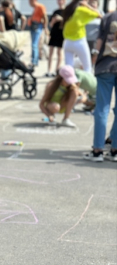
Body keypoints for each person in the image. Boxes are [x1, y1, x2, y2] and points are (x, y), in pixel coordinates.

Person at [86, 9, 117, 162]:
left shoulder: (108, 17)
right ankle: (115, 150)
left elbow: (99, 41)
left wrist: (94, 55)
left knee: (102, 108)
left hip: (106, 64)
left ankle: (98, 149)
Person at [62, 0, 101, 73]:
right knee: (87, 68)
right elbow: (98, 14)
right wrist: (87, 6)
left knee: (69, 68)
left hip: (67, 42)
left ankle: (69, 83)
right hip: (79, 41)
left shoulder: (69, 9)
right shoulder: (82, 10)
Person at [47, 0, 65, 76]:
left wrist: (60, 19)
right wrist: (54, 21)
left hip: (61, 34)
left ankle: (56, 70)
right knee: (50, 52)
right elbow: (50, 24)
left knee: (59, 53)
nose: (59, 2)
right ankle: (49, 70)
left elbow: (68, 23)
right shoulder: (55, 11)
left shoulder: (66, 11)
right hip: (54, 33)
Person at [28, 0, 48, 68]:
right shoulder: (35, 8)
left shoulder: (40, 6)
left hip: (37, 26)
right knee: (33, 44)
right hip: (33, 26)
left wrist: (45, 27)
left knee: (34, 44)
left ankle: (34, 61)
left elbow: (45, 16)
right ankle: (34, 60)